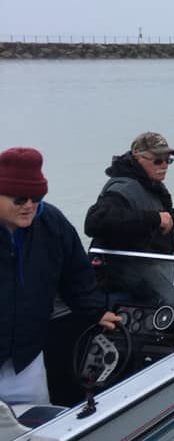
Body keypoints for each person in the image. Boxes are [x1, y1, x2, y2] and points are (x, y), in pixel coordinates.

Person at [0, 147, 121, 405]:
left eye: (37, 197)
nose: (29, 206)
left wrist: (95, 310)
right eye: (19, 199)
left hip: (26, 361)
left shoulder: (51, 222)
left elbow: (76, 273)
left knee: (37, 434)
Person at [84, 132, 174, 298]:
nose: (164, 165)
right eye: (158, 160)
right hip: (130, 272)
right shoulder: (121, 188)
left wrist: (173, 241)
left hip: (149, 264)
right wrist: (155, 218)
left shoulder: (150, 184)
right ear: (137, 158)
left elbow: (145, 224)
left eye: (168, 160)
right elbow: (95, 221)